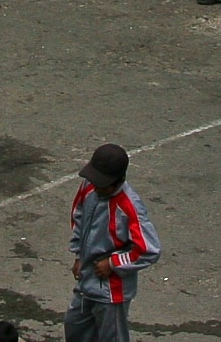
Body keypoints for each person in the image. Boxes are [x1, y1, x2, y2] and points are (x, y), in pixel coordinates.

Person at [68, 143, 159, 342]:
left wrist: (113, 263)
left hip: (111, 292)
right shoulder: (90, 185)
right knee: (75, 328)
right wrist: (78, 255)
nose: (97, 187)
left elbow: (148, 250)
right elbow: (79, 216)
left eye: (103, 185)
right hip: (86, 281)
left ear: (119, 181)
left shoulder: (130, 207)